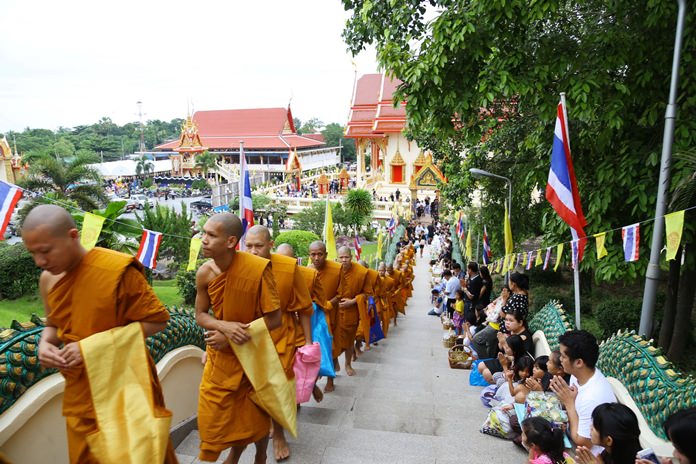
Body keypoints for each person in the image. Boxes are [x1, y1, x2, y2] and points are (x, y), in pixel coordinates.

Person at [22, 204, 177, 463]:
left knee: (141, 455)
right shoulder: (48, 279)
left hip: (126, 387)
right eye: (33, 254)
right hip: (82, 391)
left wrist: (91, 347)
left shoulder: (116, 271)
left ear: (73, 236)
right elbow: (53, 324)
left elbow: (157, 322)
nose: (40, 262)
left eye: (46, 251)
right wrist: (45, 343)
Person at [195, 213, 283, 464]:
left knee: (253, 415)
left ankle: (259, 453)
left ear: (231, 241)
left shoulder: (257, 270)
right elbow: (200, 315)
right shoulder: (205, 273)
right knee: (212, 417)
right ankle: (227, 453)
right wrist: (224, 327)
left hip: (252, 354)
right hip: (220, 359)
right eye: (204, 233)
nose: (204, 240)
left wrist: (233, 336)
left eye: (211, 236)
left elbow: (275, 319)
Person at [244, 225, 313, 462]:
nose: (253, 251)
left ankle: (279, 434)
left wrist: (308, 345)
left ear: (270, 245)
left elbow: (304, 308)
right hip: (249, 335)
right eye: (249, 246)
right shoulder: (238, 266)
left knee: (276, 385)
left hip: (282, 334)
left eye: (259, 246)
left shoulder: (287, 267)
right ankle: (261, 430)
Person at [550, 330, 616, 456]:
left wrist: (569, 403)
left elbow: (583, 442)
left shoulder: (592, 397)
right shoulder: (577, 376)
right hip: (571, 431)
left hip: (586, 454)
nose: (560, 359)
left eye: (563, 356)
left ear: (579, 362)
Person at [276, 242, 326, 404]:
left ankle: (306, 390)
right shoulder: (268, 273)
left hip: (296, 329)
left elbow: (310, 307)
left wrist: (308, 341)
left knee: (297, 368)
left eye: (287, 261)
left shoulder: (307, 276)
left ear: (295, 261)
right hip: (274, 330)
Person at [307, 240, 342, 393]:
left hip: (331, 314)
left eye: (320, 254)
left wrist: (328, 304)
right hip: (314, 317)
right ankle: (311, 382)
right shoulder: (306, 271)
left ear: (326, 254)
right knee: (314, 348)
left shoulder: (336, 269)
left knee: (331, 347)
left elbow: (341, 293)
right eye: (313, 255)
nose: (316, 258)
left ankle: (330, 379)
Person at [335, 246, 372, 377]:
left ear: (351, 257)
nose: (344, 260)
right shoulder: (332, 270)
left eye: (346, 257)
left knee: (350, 341)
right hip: (334, 311)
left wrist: (353, 301)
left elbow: (367, 293)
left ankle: (347, 364)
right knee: (333, 340)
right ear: (336, 258)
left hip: (351, 311)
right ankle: (334, 361)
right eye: (341, 257)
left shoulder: (361, 272)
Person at [574, 403, 641, 464]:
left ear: (609, 440)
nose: (590, 427)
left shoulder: (640, 462)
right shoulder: (610, 453)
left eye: (595, 427)